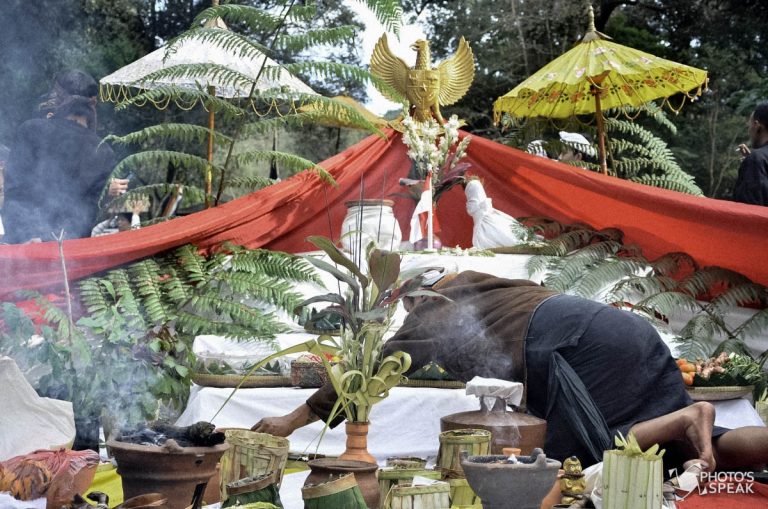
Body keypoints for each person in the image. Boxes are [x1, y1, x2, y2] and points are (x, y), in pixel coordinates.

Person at [252, 271, 768, 473]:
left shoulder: (435, 309)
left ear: (415, 298)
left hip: (581, 349)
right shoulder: (497, 287)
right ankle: (689, 421)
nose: (408, 317)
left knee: (578, 459)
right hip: (627, 333)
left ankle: (685, 416)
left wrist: (292, 420)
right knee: (687, 450)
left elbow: (370, 370)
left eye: (407, 308)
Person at [2, 95, 122, 243]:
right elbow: (94, 205)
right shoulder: (103, 151)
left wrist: (18, 232)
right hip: (71, 242)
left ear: (62, 110)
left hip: (23, 238)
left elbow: (14, 183)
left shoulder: (30, 129)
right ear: (91, 119)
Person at [732, 103, 768, 206]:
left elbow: (749, 209)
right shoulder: (758, 159)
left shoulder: (756, 159)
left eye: (749, 125)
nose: (749, 130)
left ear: (757, 126)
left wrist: (753, 162)